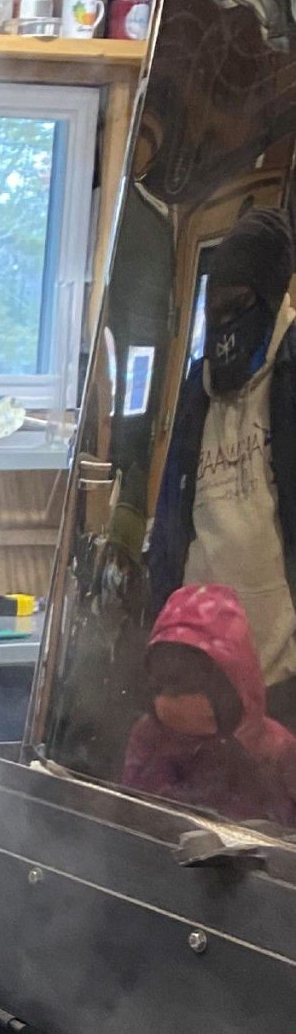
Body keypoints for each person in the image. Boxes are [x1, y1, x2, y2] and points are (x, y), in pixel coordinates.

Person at [150, 204, 296, 730]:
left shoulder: (290, 378)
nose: (223, 318)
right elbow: (173, 509)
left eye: (239, 303)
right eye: (215, 302)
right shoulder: (198, 386)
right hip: (198, 664)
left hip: (281, 666)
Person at [123, 583, 296, 826]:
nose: (173, 699)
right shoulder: (149, 737)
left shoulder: (276, 750)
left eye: (192, 685)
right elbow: (130, 816)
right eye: (164, 685)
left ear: (235, 681)